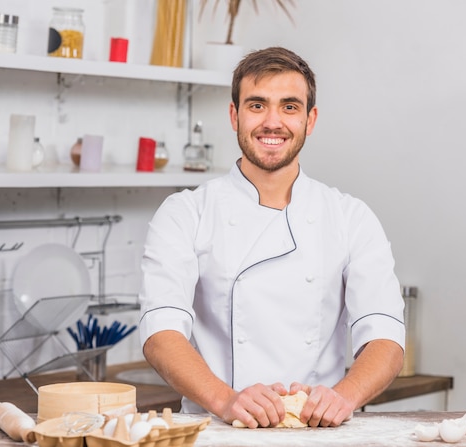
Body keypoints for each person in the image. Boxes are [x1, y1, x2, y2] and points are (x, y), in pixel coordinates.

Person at [138, 47, 405, 429]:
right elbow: (161, 332)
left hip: (319, 431)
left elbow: (386, 336)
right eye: (257, 105)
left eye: (290, 107)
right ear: (235, 115)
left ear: (310, 120)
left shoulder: (350, 217)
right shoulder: (185, 213)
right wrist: (226, 400)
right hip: (216, 428)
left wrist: (343, 397)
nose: (273, 122)